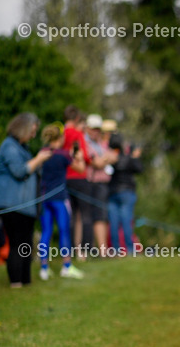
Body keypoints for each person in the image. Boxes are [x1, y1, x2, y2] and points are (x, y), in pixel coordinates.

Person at [0, 113, 53, 287]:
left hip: (26, 206)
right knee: (18, 242)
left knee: (26, 243)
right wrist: (39, 159)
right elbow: (19, 171)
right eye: (32, 131)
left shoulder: (23, 148)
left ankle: (25, 281)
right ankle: (16, 282)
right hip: (12, 204)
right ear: (23, 128)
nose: (33, 135)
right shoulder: (9, 146)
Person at [37, 124, 86, 280]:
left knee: (46, 232)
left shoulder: (42, 153)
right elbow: (80, 169)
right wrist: (78, 157)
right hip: (60, 199)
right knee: (64, 230)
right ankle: (67, 266)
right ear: (60, 138)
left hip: (44, 198)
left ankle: (44, 268)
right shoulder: (64, 155)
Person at [84, 114, 118, 251]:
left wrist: (102, 159)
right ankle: (93, 249)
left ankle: (102, 250)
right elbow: (96, 163)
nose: (96, 132)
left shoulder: (100, 144)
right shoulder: (85, 143)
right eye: (93, 129)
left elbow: (114, 157)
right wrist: (105, 159)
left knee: (102, 216)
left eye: (98, 129)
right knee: (92, 216)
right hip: (91, 183)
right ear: (87, 128)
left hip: (102, 184)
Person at [61, 106, 93, 253]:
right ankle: (85, 250)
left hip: (65, 178)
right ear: (76, 119)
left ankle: (73, 249)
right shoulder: (77, 134)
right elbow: (85, 156)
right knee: (85, 214)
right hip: (79, 177)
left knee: (72, 215)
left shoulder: (60, 134)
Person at [107, 133, 143, 255]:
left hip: (112, 192)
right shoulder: (128, 158)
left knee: (114, 222)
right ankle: (130, 249)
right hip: (127, 192)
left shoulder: (109, 157)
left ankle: (116, 250)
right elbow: (140, 169)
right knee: (127, 221)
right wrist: (135, 157)